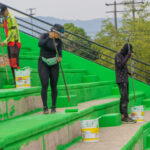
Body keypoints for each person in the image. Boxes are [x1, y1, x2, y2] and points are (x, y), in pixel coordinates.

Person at [38, 24, 64, 114]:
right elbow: (40, 44)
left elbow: (60, 52)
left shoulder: (59, 41)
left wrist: (60, 57)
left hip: (54, 64)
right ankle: (45, 107)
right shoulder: (44, 36)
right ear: (53, 32)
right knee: (45, 84)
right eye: (58, 34)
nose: (59, 36)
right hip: (43, 63)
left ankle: (53, 107)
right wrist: (49, 37)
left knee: (54, 85)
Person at [0, 4, 21, 84]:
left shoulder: (11, 18)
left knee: (15, 62)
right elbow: (5, 26)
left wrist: (4, 41)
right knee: (11, 62)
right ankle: (15, 80)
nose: (2, 15)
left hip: (14, 43)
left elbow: (13, 32)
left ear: (7, 10)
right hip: (9, 43)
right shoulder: (5, 19)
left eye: (3, 13)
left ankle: (18, 80)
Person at [115, 43, 136, 123]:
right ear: (126, 50)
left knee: (123, 98)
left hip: (125, 79)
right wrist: (128, 56)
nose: (128, 54)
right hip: (121, 80)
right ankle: (126, 117)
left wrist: (129, 73)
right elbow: (120, 65)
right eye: (128, 52)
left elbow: (123, 68)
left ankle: (123, 115)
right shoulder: (118, 56)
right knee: (125, 99)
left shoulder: (123, 57)